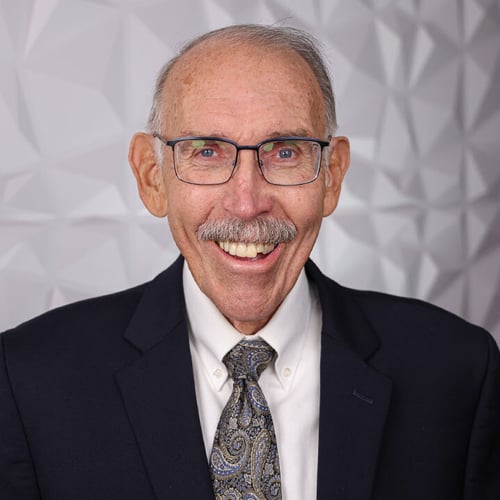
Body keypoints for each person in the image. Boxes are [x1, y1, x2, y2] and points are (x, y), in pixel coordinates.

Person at [0, 24, 499, 500]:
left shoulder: (458, 371)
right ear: (152, 177)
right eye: (207, 152)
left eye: (285, 152)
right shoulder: (29, 381)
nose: (247, 202)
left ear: (331, 175)